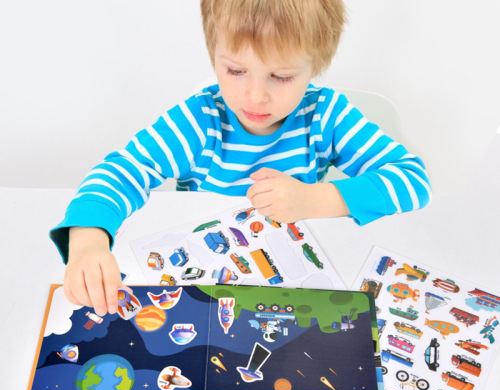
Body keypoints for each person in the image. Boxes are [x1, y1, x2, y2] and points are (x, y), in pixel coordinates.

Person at [50, 0, 432, 317]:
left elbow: (412, 179)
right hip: (204, 286)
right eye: (235, 70)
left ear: (315, 66)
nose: (255, 96)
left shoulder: (326, 115)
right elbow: (123, 171)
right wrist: (88, 242)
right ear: (214, 56)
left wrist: (313, 200)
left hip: (294, 283)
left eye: (280, 76)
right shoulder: (200, 120)